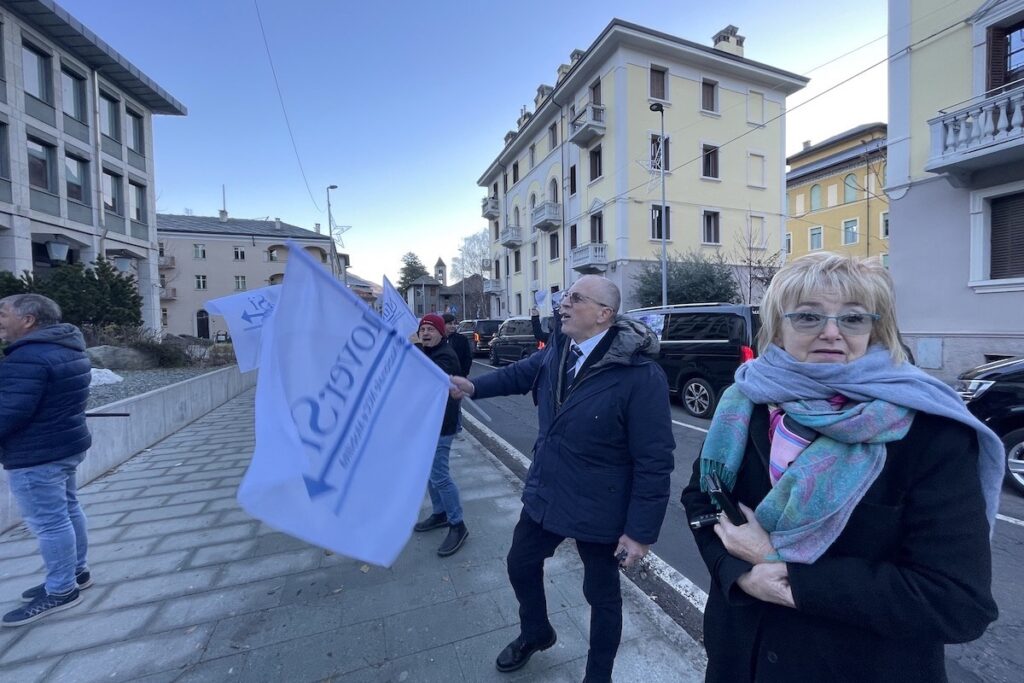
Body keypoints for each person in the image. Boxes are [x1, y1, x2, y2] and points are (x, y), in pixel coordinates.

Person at [681, 252, 1000, 682]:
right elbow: (702, 497)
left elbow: (957, 602)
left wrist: (781, 570)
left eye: (853, 319)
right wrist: (737, 575)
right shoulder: (744, 402)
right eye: (808, 317)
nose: (831, 333)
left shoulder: (929, 431)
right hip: (741, 658)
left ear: (874, 328)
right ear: (777, 326)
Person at [450, 275, 675, 683]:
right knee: (520, 562)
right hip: (549, 487)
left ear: (604, 314)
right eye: (564, 296)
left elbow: (655, 461)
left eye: (574, 298)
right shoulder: (560, 347)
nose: (562, 304)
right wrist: (472, 386)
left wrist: (640, 533)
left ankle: (598, 675)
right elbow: (521, 374)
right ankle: (536, 632)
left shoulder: (640, 376)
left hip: (600, 506)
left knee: (601, 596)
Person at [0, 294, 93, 627]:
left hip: (36, 454)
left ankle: (61, 590)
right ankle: (76, 572)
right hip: (64, 446)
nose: (0, 319)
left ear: (28, 320)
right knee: (67, 510)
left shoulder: (28, 358)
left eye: (3, 312)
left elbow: (9, 412)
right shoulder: (68, 348)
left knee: (51, 523)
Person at [412, 314, 469, 557]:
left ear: (441, 333)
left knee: (439, 475)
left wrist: (411, 351)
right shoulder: (428, 353)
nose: (425, 333)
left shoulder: (445, 356)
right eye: (422, 329)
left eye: (430, 329)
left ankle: (458, 525)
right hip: (427, 425)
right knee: (428, 473)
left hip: (442, 426)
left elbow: (426, 381)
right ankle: (440, 513)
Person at [442, 313, 472, 377]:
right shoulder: (437, 339)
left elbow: (467, 358)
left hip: (459, 377)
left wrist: (464, 373)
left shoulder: (462, 339)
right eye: (450, 324)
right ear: (443, 324)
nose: (453, 326)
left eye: (454, 324)